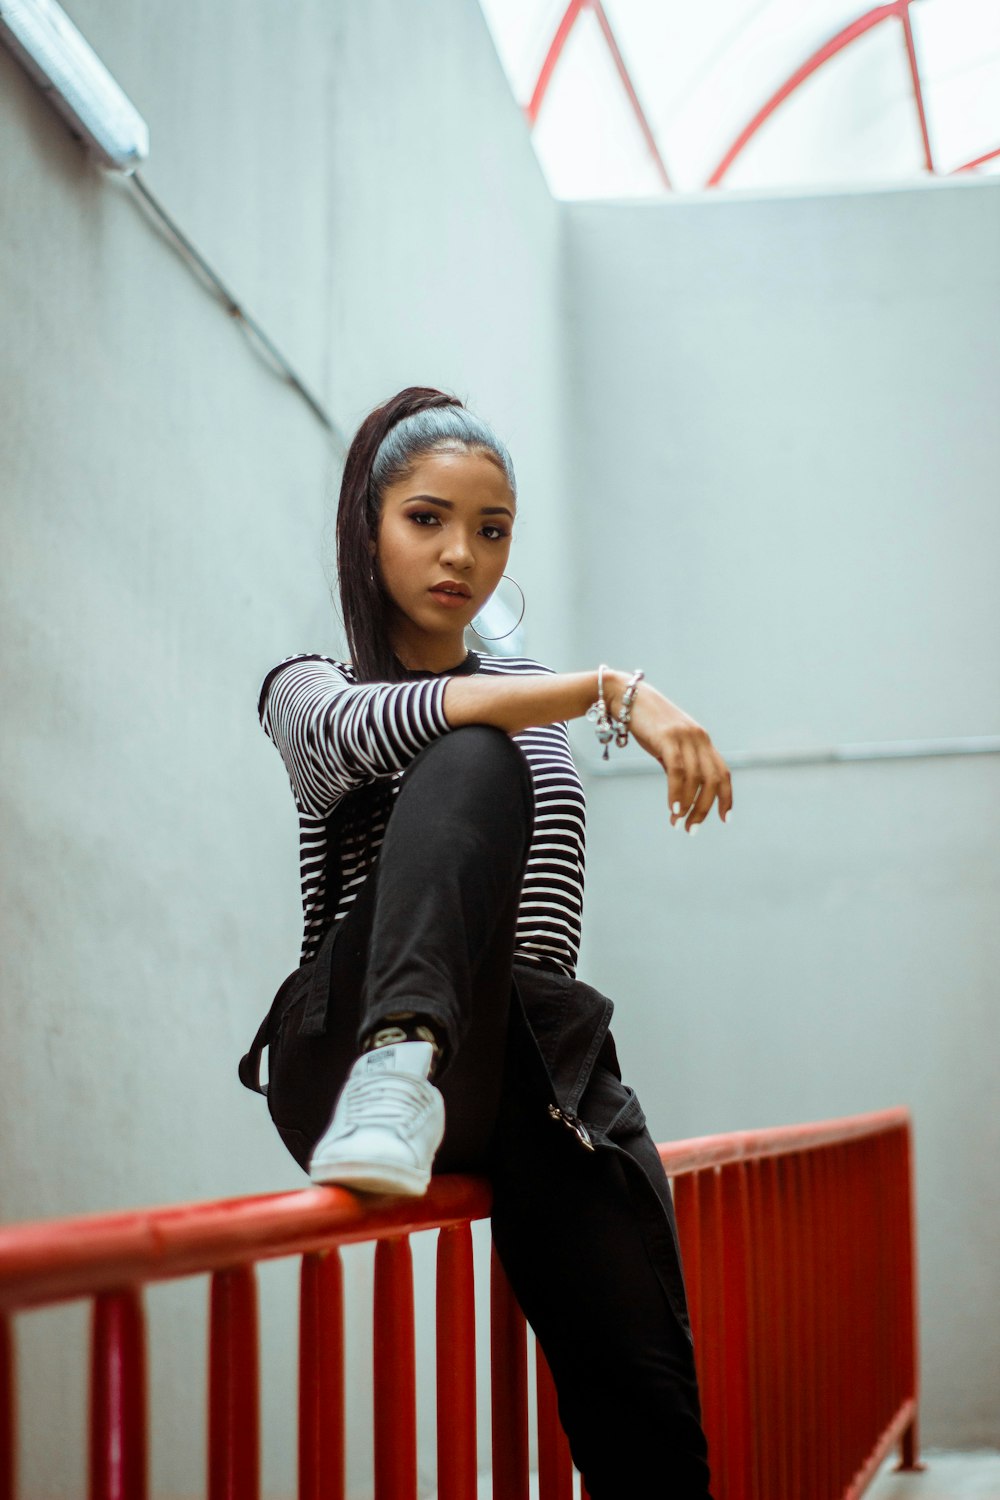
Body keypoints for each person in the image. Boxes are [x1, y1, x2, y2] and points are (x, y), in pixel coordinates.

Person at [240, 386, 732, 1498]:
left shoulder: (524, 701)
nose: (461, 552)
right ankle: (397, 1063)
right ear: (366, 526)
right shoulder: (309, 687)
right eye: (426, 518)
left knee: (647, 1400)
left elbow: (543, 920)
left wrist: (559, 699)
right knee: (469, 750)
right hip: (349, 1052)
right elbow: (355, 740)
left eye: (491, 527)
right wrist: (613, 690)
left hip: (526, 1065)